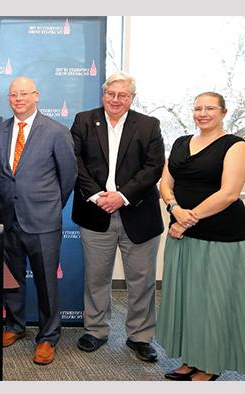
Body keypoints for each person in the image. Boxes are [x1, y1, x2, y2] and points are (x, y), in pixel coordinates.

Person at [70, 71, 164, 363]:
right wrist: (99, 196)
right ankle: (96, 330)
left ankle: (140, 336)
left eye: (122, 95)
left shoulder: (149, 125)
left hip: (138, 213)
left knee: (141, 280)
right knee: (96, 277)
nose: (115, 99)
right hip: (94, 211)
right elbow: (75, 161)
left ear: (132, 98)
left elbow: (154, 167)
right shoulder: (84, 120)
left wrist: (121, 197)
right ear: (103, 94)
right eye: (111, 93)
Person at [157, 92, 245, 381]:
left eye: (209, 108)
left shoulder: (235, 146)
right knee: (188, 301)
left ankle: (210, 363)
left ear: (223, 112)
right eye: (197, 108)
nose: (202, 113)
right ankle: (191, 358)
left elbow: (229, 193)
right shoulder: (182, 143)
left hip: (220, 237)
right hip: (181, 233)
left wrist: (186, 219)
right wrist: (174, 208)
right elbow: (165, 183)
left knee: (213, 303)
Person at [0, 77, 77, 365]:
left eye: (24, 94)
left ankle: (48, 336)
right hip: (8, 218)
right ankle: (15, 325)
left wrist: (51, 205)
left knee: (46, 282)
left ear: (36, 96)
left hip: (42, 220)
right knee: (11, 278)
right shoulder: (0, 131)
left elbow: (68, 178)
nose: (18, 99)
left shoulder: (56, 131)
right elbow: (6, 176)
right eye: (13, 94)